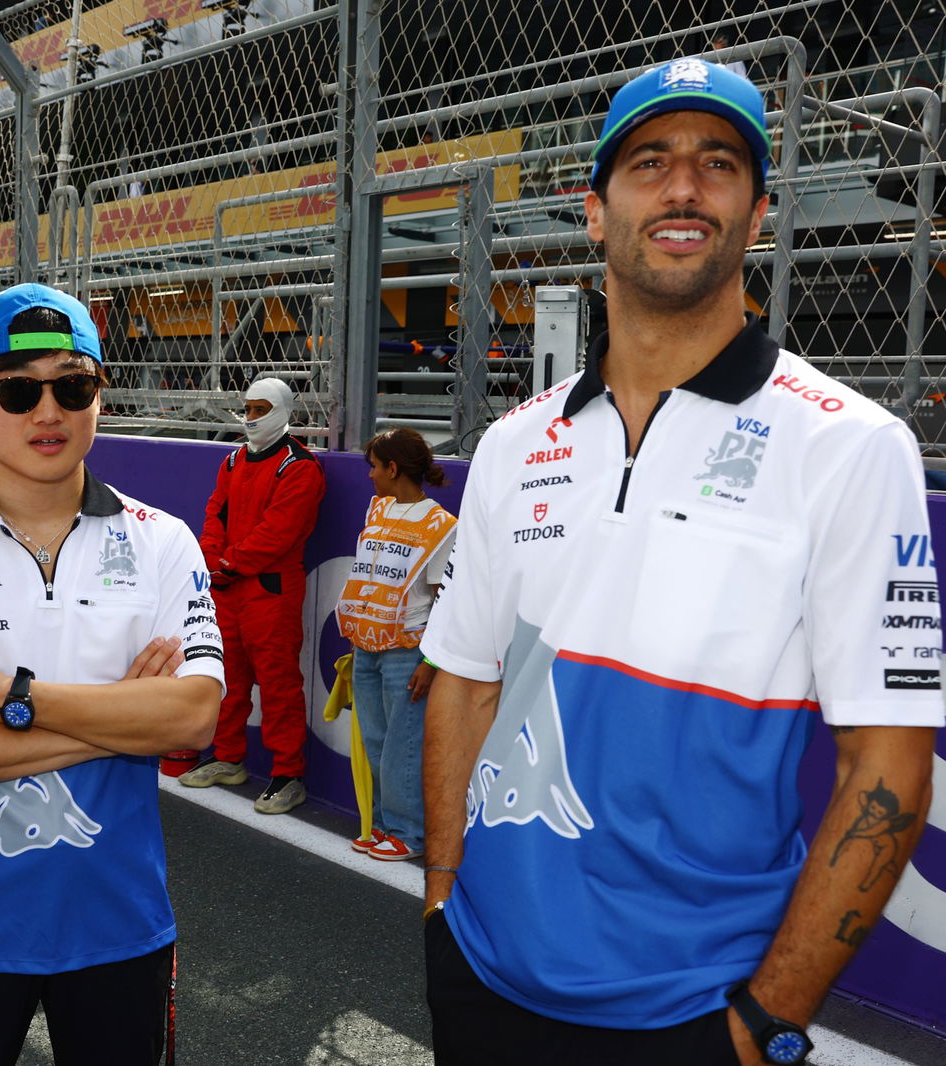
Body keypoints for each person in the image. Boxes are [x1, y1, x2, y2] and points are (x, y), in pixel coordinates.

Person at [419, 59, 942, 1066]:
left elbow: (888, 767)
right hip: (479, 976)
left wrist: (766, 1019)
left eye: (718, 163)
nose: (683, 186)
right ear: (594, 210)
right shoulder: (512, 443)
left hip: (696, 1017)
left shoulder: (850, 445)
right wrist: (441, 896)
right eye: (650, 161)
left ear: (755, 217)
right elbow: (465, 680)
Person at [0, 282, 223, 1065]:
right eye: (20, 390)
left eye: (73, 385)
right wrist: (119, 721)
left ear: (100, 392)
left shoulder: (163, 540)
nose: (48, 411)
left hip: (119, 927)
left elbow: (194, 718)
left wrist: (17, 700)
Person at [180, 377, 325, 814]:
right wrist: (211, 557)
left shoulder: (299, 466)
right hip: (229, 585)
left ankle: (288, 773)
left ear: (282, 410)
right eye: (249, 407)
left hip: (270, 589)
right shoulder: (232, 460)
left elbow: (280, 531)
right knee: (228, 677)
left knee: (278, 683)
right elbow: (214, 512)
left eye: (262, 409)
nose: (253, 416)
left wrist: (228, 563)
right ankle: (228, 756)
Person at [335, 429, 456, 861]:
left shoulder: (441, 525)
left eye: (373, 466)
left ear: (392, 469)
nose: (368, 475)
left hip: (408, 650)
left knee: (401, 746)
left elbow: (445, 598)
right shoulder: (379, 508)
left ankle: (408, 832)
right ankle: (385, 825)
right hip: (366, 646)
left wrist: (429, 660)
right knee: (375, 740)